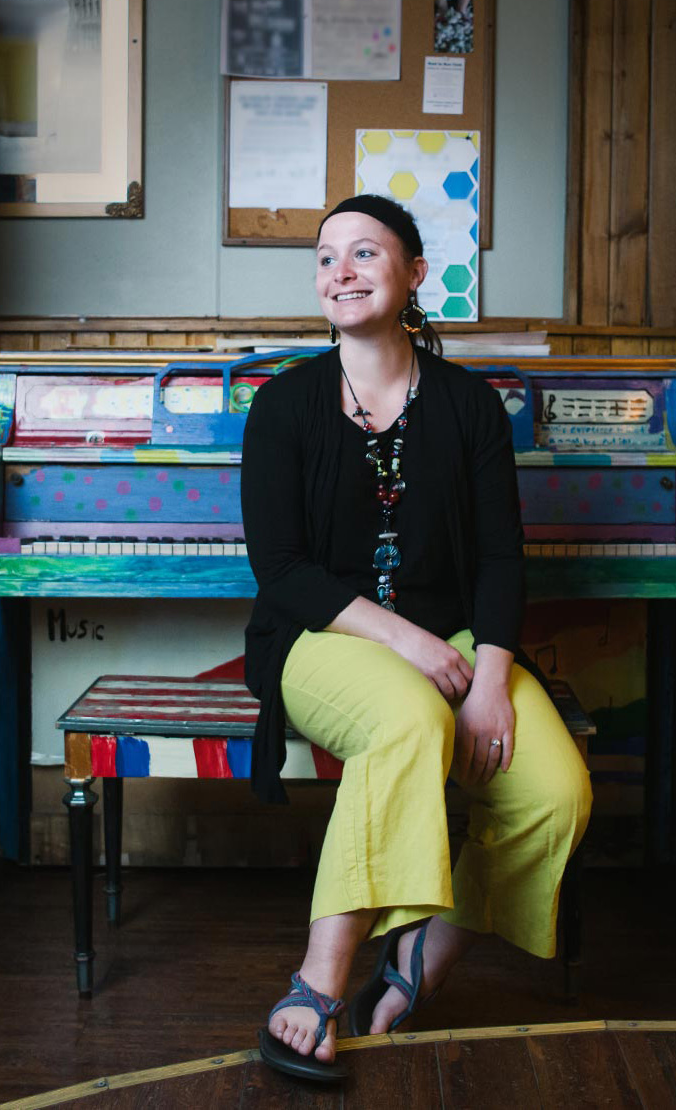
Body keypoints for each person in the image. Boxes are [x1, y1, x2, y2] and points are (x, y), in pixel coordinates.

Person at [240, 195, 592, 1084]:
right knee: (408, 720)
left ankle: (419, 961)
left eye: (364, 252)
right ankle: (319, 984)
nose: (340, 271)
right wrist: (410, 644)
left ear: (412, 274)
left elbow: (504, 558)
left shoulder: (471, 407)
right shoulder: (282, 406)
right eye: (325, 258)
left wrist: (486, 680)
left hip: (460, 641)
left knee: (553, 790)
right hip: (318, 639)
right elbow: (282, 573)